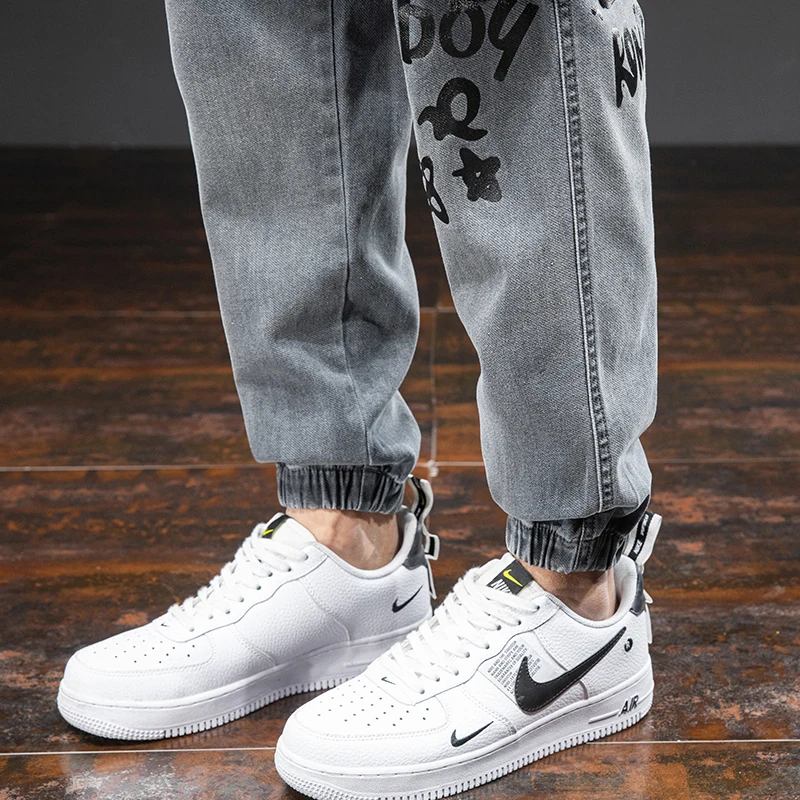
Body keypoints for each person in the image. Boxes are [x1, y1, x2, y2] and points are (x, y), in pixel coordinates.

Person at [57, 0, 660, 796]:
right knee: (257, 20)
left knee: (505, 22)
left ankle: (576, 587)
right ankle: (344, 537)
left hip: (577, 587)